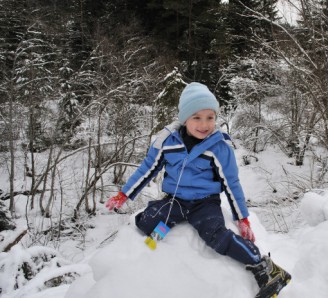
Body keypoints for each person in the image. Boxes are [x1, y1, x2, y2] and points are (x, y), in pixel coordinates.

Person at [105, 82, 291, 297]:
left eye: (210, 118)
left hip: (205, 203)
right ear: (185, 119)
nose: (204, 124)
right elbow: (148, 169)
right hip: (175, 199)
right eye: (197, 118)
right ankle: (151, 256)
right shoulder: (166, 142)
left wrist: (242, 217)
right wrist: (124, 194)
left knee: (215, 235)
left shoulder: (219, 147)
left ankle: (264, 268)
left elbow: (231, 184)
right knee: (148, 223)